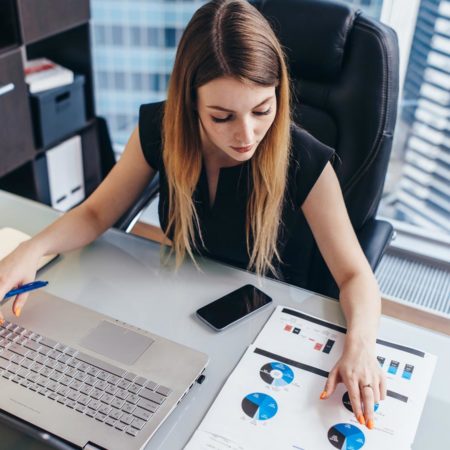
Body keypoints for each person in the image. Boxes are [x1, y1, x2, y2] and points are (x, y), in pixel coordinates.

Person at [0, 0, 384, 430]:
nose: (246, 135)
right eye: (222, 117)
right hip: (182, 316)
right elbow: (94, 213)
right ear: (190, 103)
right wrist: (31, 251)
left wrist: (361, 344)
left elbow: (355, 276)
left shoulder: (305, 160)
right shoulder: (162, 128)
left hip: (265, 331)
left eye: (262, 109)